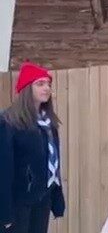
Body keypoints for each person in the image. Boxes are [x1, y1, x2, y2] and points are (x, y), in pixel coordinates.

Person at [0, 62, 66, 233]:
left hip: (42, 197)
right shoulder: (9, 122)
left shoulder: (48, 124)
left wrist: (57, 198)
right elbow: (3, 169)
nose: (46, 88)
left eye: (48, 84)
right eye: (40, 84)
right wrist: (4, 212)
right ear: (27, 88)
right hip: (18, 201)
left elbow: (54, 164)